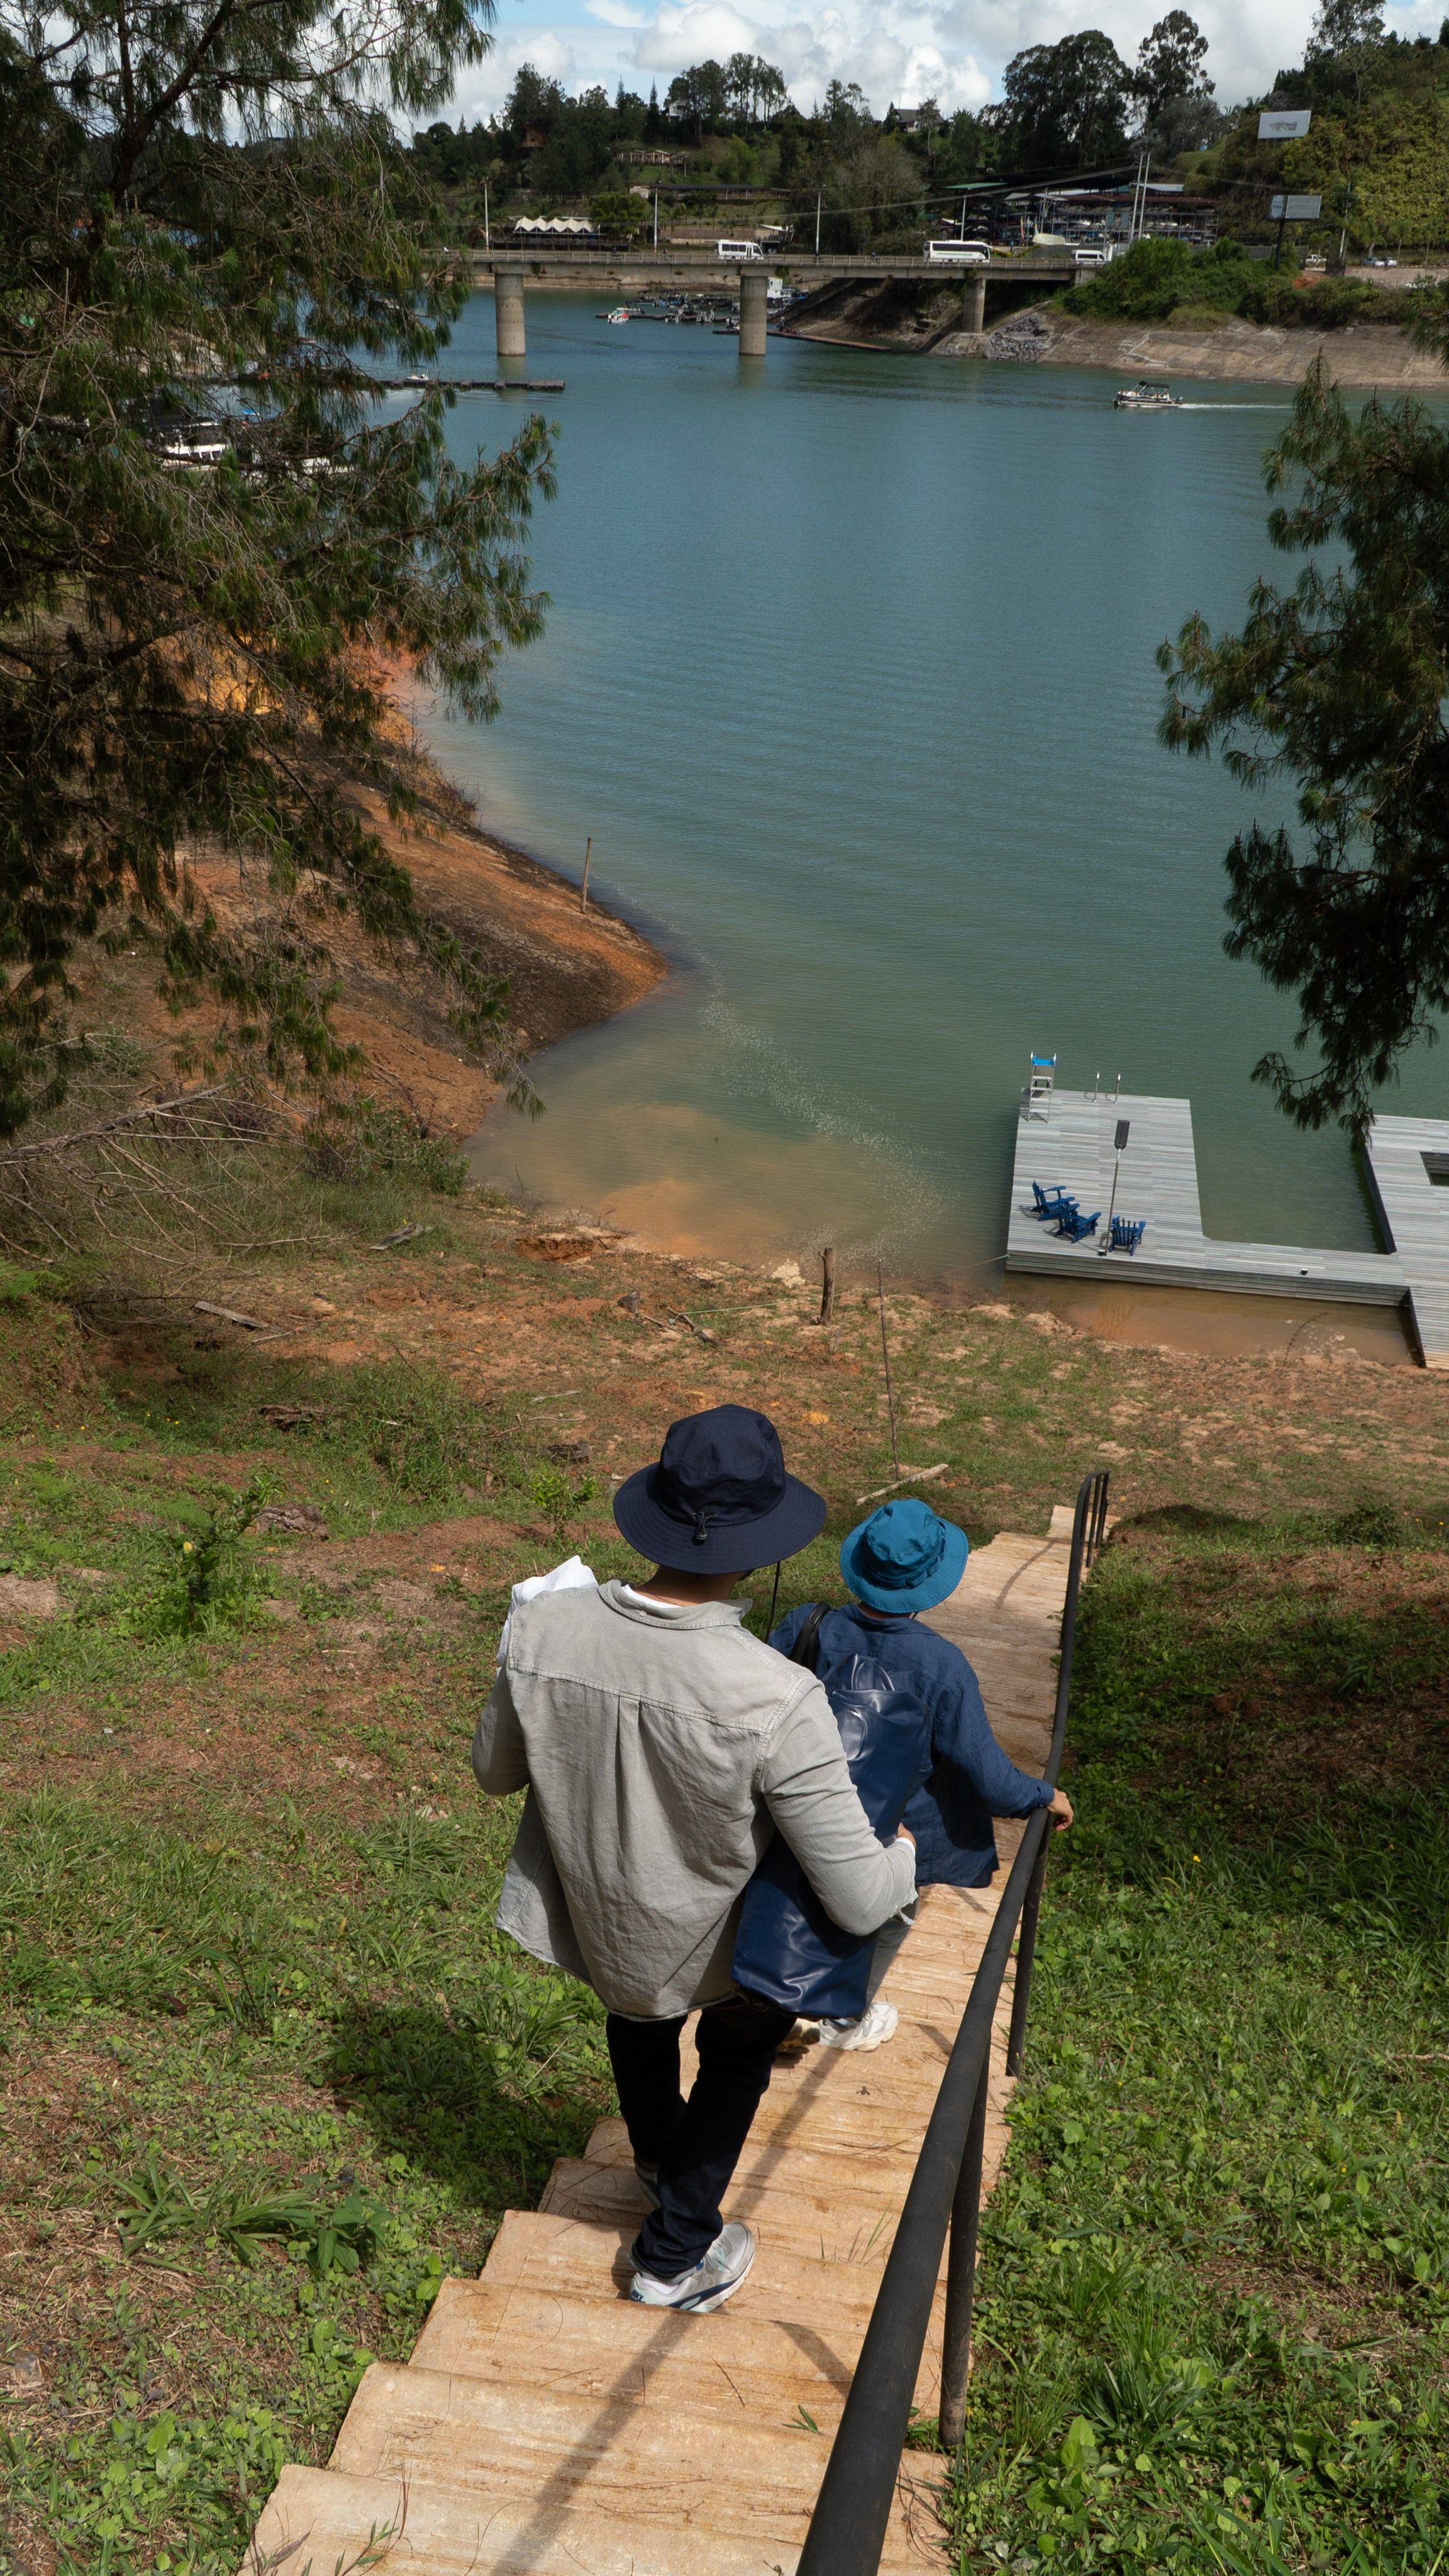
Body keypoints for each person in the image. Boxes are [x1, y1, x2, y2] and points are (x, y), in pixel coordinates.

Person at [471, 1404, 918, 2316]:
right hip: (723, 1950)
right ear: (761, 1543)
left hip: (603, 1923)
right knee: (735, 2055)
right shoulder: (779, 1696)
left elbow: (494, 1774)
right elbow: (859, 1897)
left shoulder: (541, 1627)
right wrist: (908, 1857)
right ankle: (674, 2256)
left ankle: (654, 2156)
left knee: (636, 2019)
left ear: (657, 1516)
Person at [771, 1496, 1074, 2051]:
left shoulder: (806, 1625)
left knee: (798, 1894)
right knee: (885, 1917)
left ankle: (777, 1998)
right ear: (929, 1582)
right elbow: (987, 1776)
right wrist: (1042, 1794)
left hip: (804, 1805)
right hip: (894, 1827)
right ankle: (844, 2018)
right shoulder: (943, 1666)